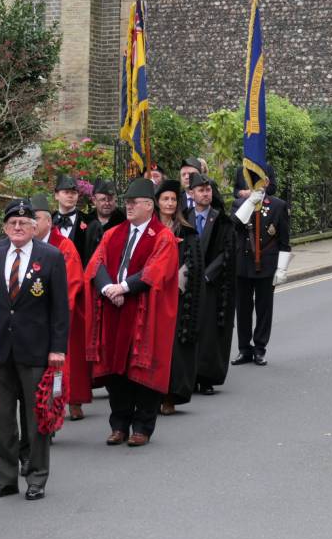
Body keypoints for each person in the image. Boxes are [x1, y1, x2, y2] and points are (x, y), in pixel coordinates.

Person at [85, 178, 179, 447]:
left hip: (145, 313)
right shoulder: (114, 233)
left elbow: (156, 271)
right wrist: (107, 290)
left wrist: (123, 288)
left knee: (143, 370)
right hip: (115, 310)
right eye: (126, 202)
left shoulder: (163, 237)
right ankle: (119, 424)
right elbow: (97, 263)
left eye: (133, 202)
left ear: (149, 206)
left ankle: (143, 426)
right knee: (117, 371)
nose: (127, 206)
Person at [0, 198, 68, 501]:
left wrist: (58, 349)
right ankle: (7, 477)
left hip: (36, 350)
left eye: (24, 223)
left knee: (36, 418)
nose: (18, 227)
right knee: (1, 418)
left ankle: (36, 477)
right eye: (12, 223)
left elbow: (60, 308)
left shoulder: (51, 257)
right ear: (5, 227)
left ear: (35, 226)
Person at [33, 194, 89, 421]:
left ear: (49, 221)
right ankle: (44, 410)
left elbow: (73, 281)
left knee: (66, 362)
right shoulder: (26, 245)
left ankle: (71, 402)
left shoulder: (64, 246)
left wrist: (57, 310)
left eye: (36, 218)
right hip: (34, 315)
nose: (32, 223)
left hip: (61, 313)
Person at [231, 171, 292, 366]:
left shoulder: (278, 205)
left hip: (267, 263)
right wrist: (249, 203)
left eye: (260, 180)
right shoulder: (239, 205)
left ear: (266, 182)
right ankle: (244, 349)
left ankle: (260, 348)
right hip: (243, 263)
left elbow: (284, 241)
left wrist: (282, 269)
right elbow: (235, 225)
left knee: (264, 308)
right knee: (243, 308)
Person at [154, 180, 204, 415]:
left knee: (173, 349)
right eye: (165, 199)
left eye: (173, 199)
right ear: (157, 202)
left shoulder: (186, 231)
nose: (170, 203)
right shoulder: (149, 230)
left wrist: (174, 282)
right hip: (152, 295)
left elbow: (193, 263)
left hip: (177, 297)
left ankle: (170, 396)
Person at [186, 173, 237, 395]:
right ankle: (189, 375)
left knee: (207, 332)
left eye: (207, 190)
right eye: (200, 190)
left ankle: (206, 377)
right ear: (191, 193)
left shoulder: (221, 220)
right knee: (188, 329)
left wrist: (207, 275)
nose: (205, 194)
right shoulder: (183, 218)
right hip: (187, 283)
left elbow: (226, 252)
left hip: (210, 284)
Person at [83, 179, 126, 265]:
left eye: (110, 199)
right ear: (94, 200)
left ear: (115, 200)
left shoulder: (123, 220)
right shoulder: (86, 221)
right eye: (103, 200)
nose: (107, 203)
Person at [51, 173, 89, 258]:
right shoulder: (48, 222)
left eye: (74, 193)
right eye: (66, 192)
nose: (70, 196)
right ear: (56, 195)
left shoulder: (90, 222)